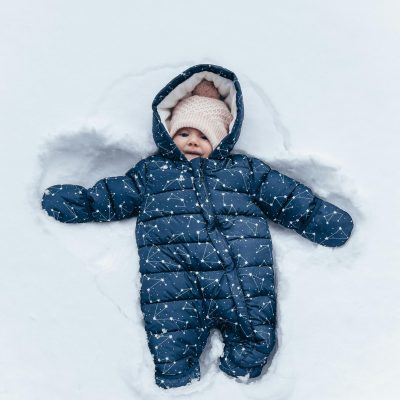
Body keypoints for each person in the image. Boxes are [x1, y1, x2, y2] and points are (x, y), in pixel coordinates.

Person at [41, 64, 354, 389]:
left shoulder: (243, 171)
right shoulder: (152, 173)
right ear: (168, 133)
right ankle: (176, 382)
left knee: (253, 332)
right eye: (183, 133)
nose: (192, 141)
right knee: (171, 339)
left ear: (221, 138)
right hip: (174, 282)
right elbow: (113, 196)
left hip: (240, 276)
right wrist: (81, 202)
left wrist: (319, 219)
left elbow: (287, 198)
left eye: (203, 134)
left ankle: (242, 379)